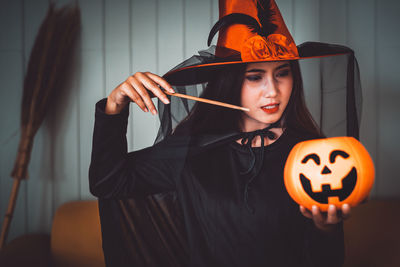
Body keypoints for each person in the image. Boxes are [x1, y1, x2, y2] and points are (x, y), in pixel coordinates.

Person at [90, 0, 361, 266]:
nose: (273, 91)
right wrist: (115, 105)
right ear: (230, 81)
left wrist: (327, 229)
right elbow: (108, 182)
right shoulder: (193, 150)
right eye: (255, 76)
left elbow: (329, 260)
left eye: (282, 73)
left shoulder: (315, 155)